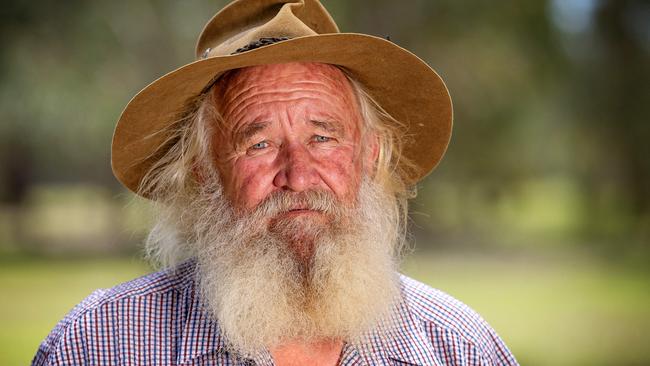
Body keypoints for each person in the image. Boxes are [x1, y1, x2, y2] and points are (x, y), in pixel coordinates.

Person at [33, 0, 518, 365]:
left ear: (369, 157)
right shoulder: (101, 343)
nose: (298, 176)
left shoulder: (458, 346)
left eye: (324, 138)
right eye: (258, 145)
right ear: (205, 171)